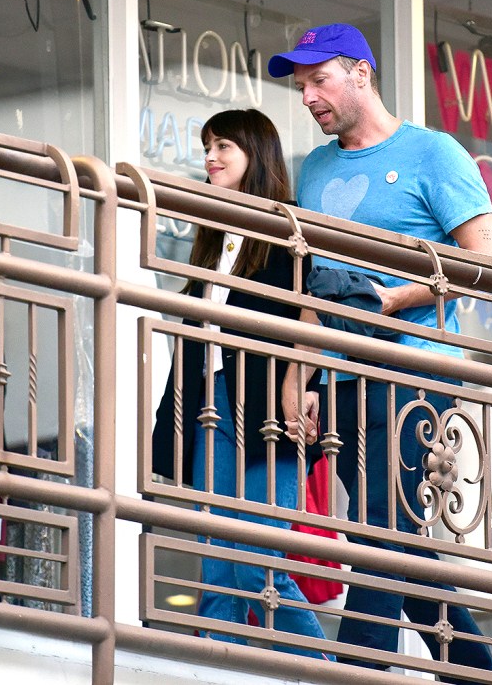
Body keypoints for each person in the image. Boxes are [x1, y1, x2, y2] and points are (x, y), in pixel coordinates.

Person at [269, 24, 492, 679]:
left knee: (378, 522)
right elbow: (310, 282)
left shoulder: (434, 154)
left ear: (361, 74)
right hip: (339, 372)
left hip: (413, 363)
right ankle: (482, 673)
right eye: (301, 86)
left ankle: (357, 671)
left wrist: (398, 298)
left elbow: (489, 260)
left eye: (319, 80)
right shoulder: (313, 168)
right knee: (392, 537)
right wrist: (299, 374)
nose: (308, 96)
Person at [151, 108, 332, 659]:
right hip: (213, 401)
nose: (210, 156)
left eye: (224, 145)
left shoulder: (289, 224)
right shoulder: (216, 235)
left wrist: (305, 381)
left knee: (258, 561)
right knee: (216, 563)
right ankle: (218, 669)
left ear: (257, 155)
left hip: (266, 403)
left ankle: (325, 668)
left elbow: (315, 310)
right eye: (208, 145)